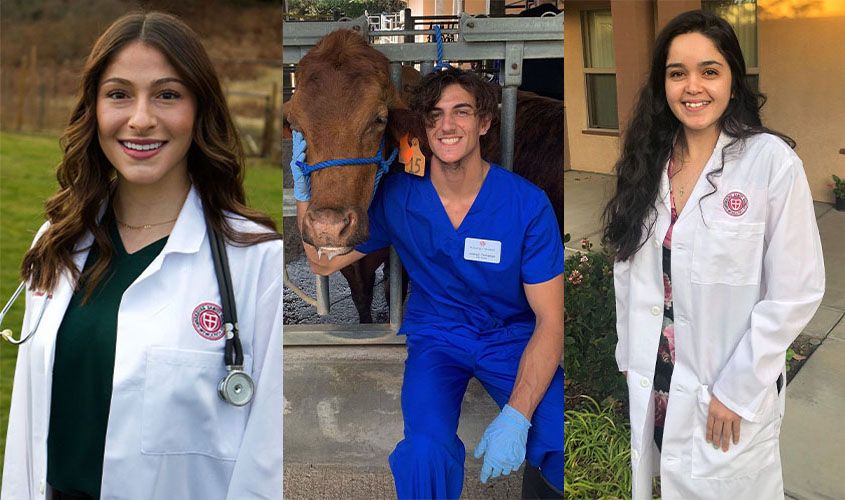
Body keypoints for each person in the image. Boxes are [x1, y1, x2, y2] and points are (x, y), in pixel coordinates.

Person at [1, 12, 282, 500]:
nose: (141, 118)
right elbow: (26, 430)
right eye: (119, 94)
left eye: (167, 94)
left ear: (199, 109)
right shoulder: (57, 242)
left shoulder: (256, 263)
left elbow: (266, 458)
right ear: (94, 108)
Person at [291, 67, 564, 498]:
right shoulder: (399, 197)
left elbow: (551, 321)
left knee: (561, 434)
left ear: (485, 123)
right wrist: (304, 186)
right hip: (438, 339)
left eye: (461, 112)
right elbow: (323, 264)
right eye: (434, 116)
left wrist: (518, 414)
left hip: (511, 338)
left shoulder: (526, 204)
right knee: (423, 451)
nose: (447, 125)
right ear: (423, 129)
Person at [603, 10, 824, 500]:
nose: (692, 87)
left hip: (727, 388)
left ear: (732, 79)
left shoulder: (771, 163)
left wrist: (737, 389)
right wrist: (630, 358)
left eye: (709, 70)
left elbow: (796, 292)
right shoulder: (647, 161)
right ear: (663, 83)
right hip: (658, 380)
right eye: (677, 73)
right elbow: (630, 270)